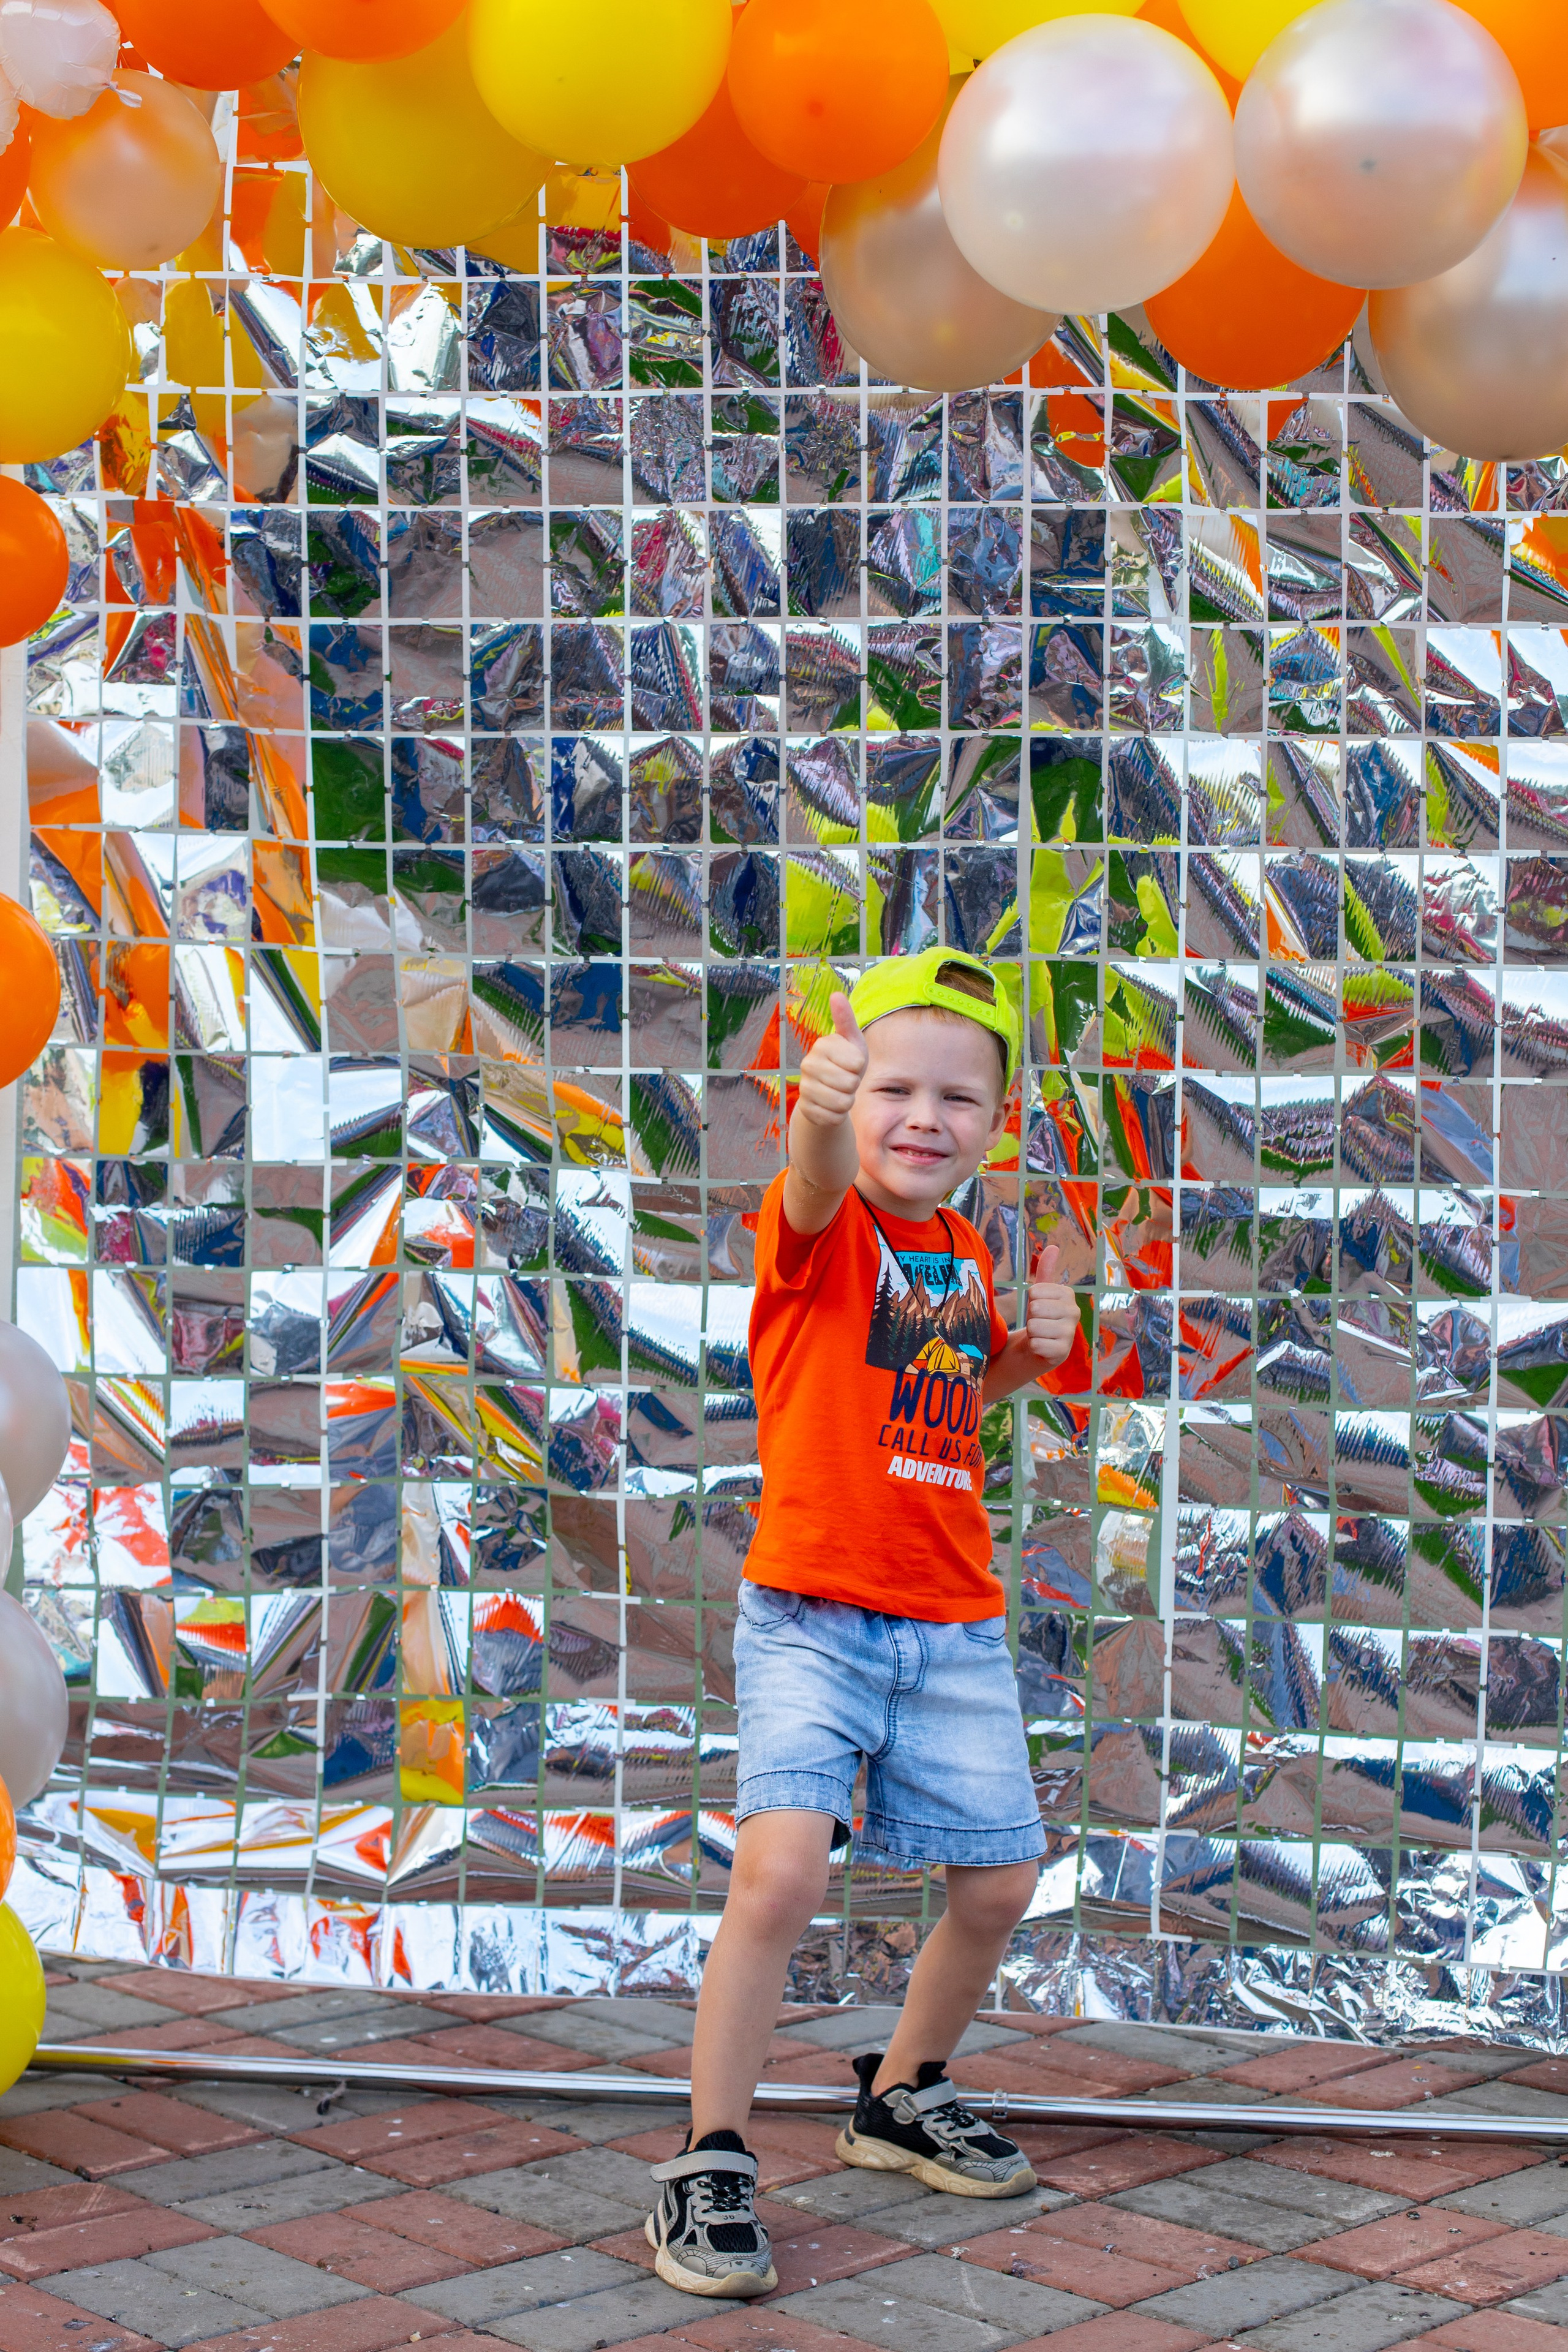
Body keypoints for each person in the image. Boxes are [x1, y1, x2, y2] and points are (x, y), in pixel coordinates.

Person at [646, 948, 1079, 2297]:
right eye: (890, 1085)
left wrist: (1028, 1356)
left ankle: (898, 2094)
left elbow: (938, 1407)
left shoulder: (957, 1250)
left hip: (948, 1619)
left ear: (993, 1123)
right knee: (779, 1876)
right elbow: (813, 1177)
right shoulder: (823, 1232)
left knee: (998, 1885)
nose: (920, 1116)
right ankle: (710, 2156)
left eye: (954, 1098)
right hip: (815, 1618)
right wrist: (817, 1112)